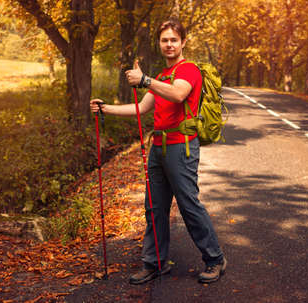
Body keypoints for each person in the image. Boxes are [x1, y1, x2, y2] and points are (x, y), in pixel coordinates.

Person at [90, 18, 226, 285]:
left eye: (174, 39)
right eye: (164, 40)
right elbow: (142, 108)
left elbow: (177, 95)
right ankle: (154, 263)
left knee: (188, 205)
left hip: (181, 148)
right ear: (159, 43)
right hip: (158, 148)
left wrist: (144, 79)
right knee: (154, 207)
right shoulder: (162, 76)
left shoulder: (188, 70)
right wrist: (106, 109)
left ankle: (215, 259)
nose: (169, 44)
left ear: (183, 42)